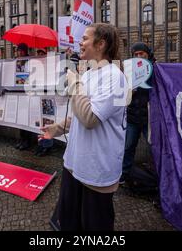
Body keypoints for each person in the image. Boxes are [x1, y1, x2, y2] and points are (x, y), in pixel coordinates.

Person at [39, 23, 128, 231]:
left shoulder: (115, 78)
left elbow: (90, 118)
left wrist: (74, 84)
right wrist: (58, 128)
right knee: (69, 223)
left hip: (96, 171)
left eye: (85, 38)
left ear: (101, 44)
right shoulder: (88, 74)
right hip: (74, 165)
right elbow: (79, 116)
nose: (80, 42)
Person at [120, 42, 155, 184]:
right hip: (133, 116)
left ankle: (156, 175)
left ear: (148, 54)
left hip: (150, 118)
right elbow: (122, 92)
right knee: (128, 146)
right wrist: (129, 91)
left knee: (154, 148)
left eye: (142, 53)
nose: (139, 56)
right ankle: (124, 173)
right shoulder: (129, 71)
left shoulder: (156, 69)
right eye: (136, 54)